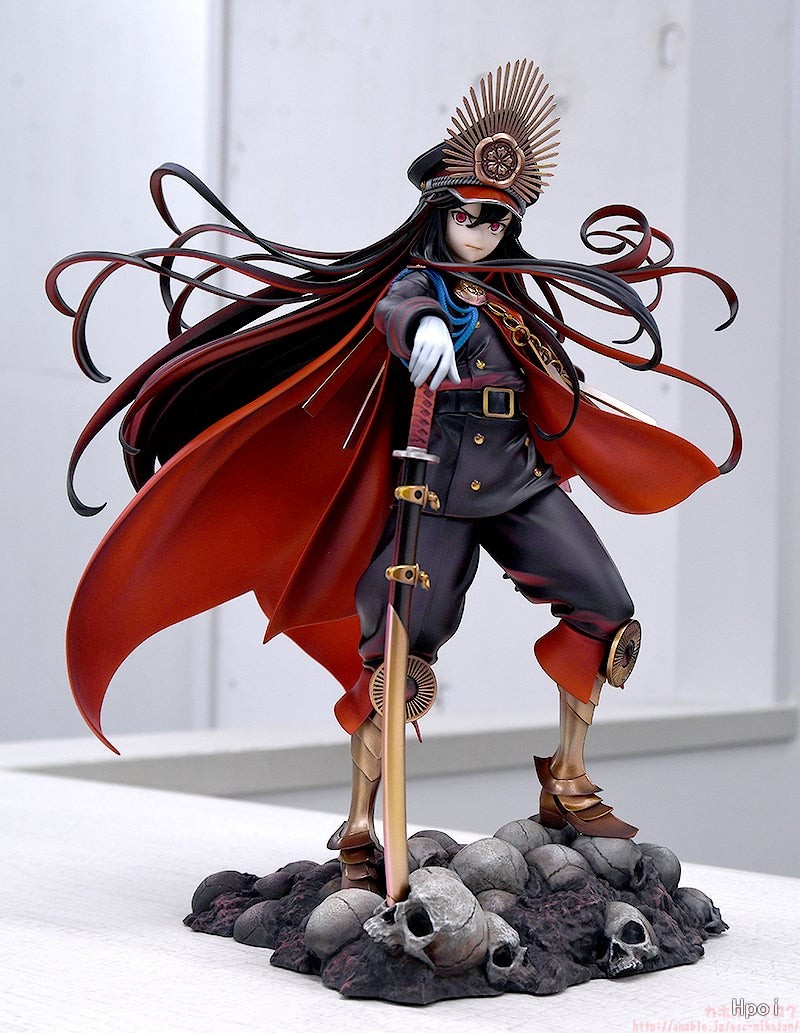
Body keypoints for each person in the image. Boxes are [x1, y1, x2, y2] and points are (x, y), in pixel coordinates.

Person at [47, 59, 739, 893]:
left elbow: (556, 388)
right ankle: (360, 822)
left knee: (608, 612)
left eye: (500, 217)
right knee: (396, 667)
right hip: (431, 498)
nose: (483, 230)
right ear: (441, 212)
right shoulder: (417, 289)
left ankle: (568, 777)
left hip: (518, 485)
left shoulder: (509, 299)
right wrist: (420, 332)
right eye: (470, 214)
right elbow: (394, 308)